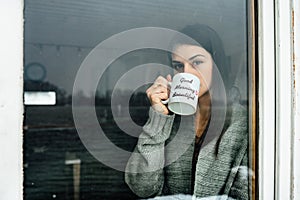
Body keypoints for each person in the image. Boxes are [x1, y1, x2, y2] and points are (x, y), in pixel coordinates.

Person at [125, 24, 250, 200]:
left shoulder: (243, 123)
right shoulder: (170, 119)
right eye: (178, 66)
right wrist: (158, 118)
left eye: (197, 62)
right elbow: (143, 188)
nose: (186, 72)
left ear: (217, 63)